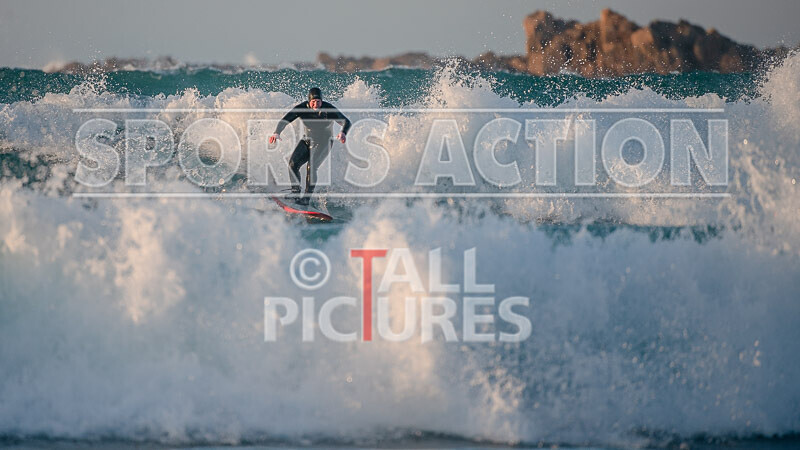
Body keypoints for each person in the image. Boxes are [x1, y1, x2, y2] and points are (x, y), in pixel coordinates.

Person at [269, 87, 351, 205]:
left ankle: (306, 198)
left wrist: (343, 132)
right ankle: (296, 193)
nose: (316, 104)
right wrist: (277, 132)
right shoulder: (302, 108)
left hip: (324, 142)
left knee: (311, 167)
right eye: (313, 102)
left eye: (318, 102)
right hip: (307, 141)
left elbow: (346, 121)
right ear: (309, 101)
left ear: (322, 101)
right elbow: (285, 120)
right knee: (293, 164)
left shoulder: (328, 109)